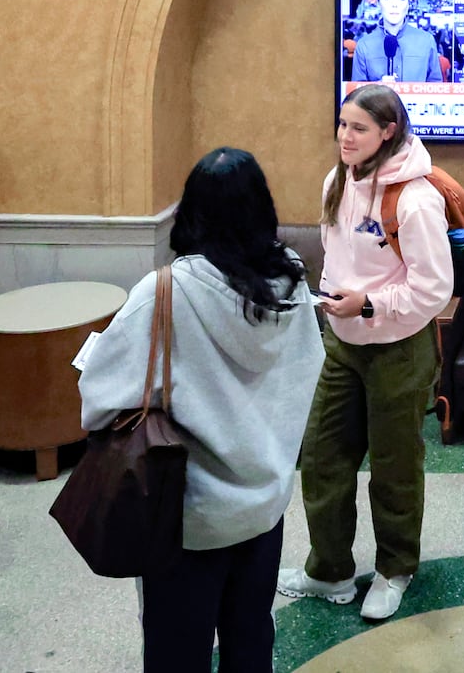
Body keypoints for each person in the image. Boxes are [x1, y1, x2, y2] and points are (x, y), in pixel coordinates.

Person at [78, 147, 322, 673]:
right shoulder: (293, 282)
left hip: (187, 515)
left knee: (176, 650)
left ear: (189, 212)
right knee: (251, 637)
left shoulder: (165, 293)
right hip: (265, 503)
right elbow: (309, 367)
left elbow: (99, 406)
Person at [278, 84, 453, 622]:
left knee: (395, 467)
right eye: (341, 124)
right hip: (343, 345)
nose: (345, 137)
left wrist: (369, 304)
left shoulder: (417, 199)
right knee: (324, 457)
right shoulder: (337, 180)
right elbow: (337, 256)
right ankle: (328, 570)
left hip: (399, 349)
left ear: (388, 132)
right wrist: (331, 299)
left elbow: (434, 291)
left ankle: (394, 569)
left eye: (358, 128)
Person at [351, 0, 445, 83]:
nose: (394, 4)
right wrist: (377, 87)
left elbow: (436, 87)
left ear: (408, 4)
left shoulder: (426, 41)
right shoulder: (364, 45)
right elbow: (356, 94)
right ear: (378, 3)